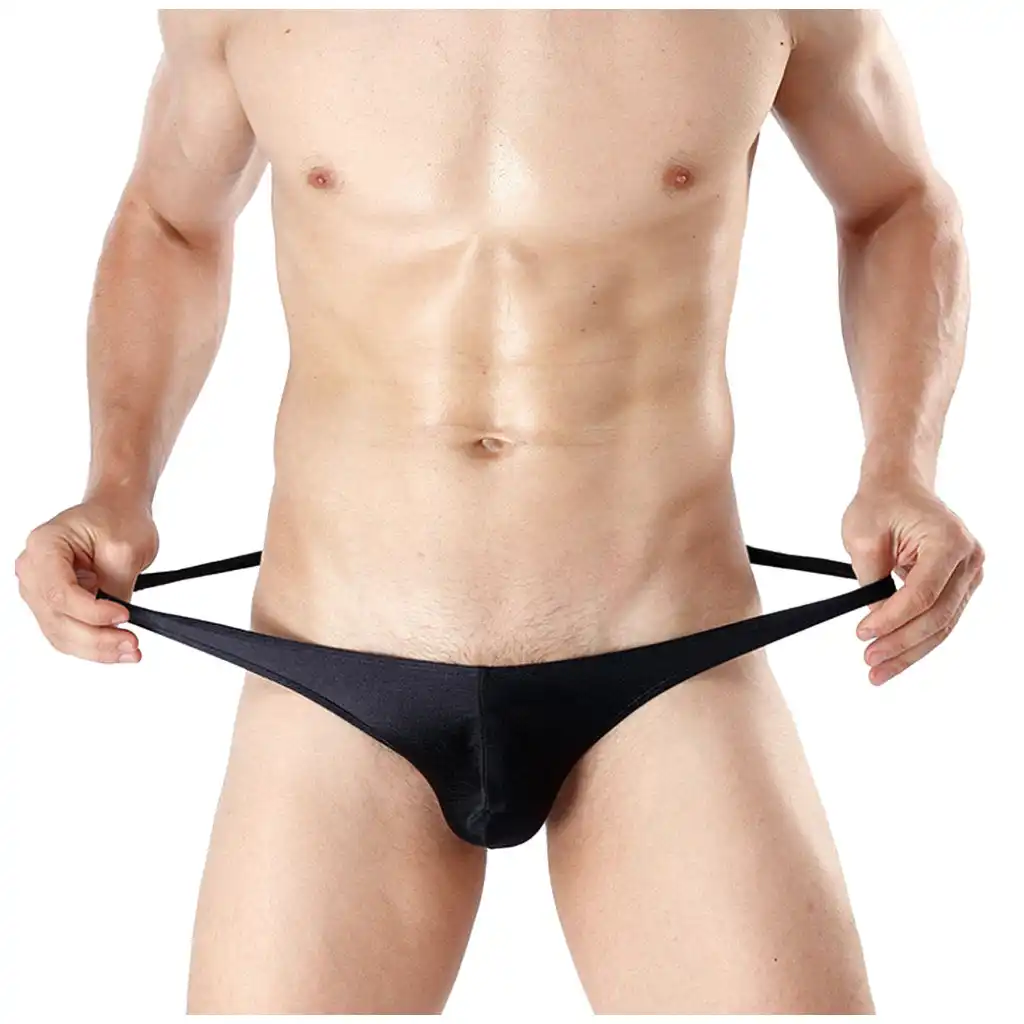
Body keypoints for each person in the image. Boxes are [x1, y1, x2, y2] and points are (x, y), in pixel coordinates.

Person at [12, 10, 984, 1014]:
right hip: (338, 652)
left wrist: (900, 464)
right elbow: (170, 220)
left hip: (663, 644)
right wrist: (116, 481)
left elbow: (895, 202)